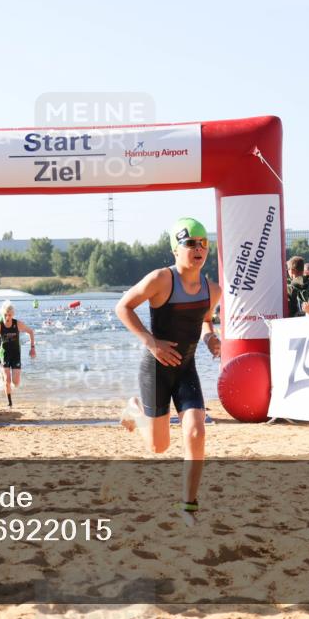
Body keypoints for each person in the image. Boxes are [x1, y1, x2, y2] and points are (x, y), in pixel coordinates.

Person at [116, 217, 221, 526]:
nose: (198, 249)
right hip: (156, 369)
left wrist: (212, 338)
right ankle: (135, 410)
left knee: (196, 432)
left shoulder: (212, 290)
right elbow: (123, 307)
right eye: (190, 243)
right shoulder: (161, 279)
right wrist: (151, 343)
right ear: (176, 249)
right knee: (158, 447)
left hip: (186, 369)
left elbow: (204, 322)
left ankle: (188, 507)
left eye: (203, 244)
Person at [0, 300, 35, 408]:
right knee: (7, 380)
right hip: (4, 354)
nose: (7, 317)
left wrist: (32, 348)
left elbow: (31, 332)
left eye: (9, 315)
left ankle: (5, 379)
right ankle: (9, 403)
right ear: (2, 314)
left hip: (15, 354)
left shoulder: (17, 324)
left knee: (16, 382)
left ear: (12, 314)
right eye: (5, 315)